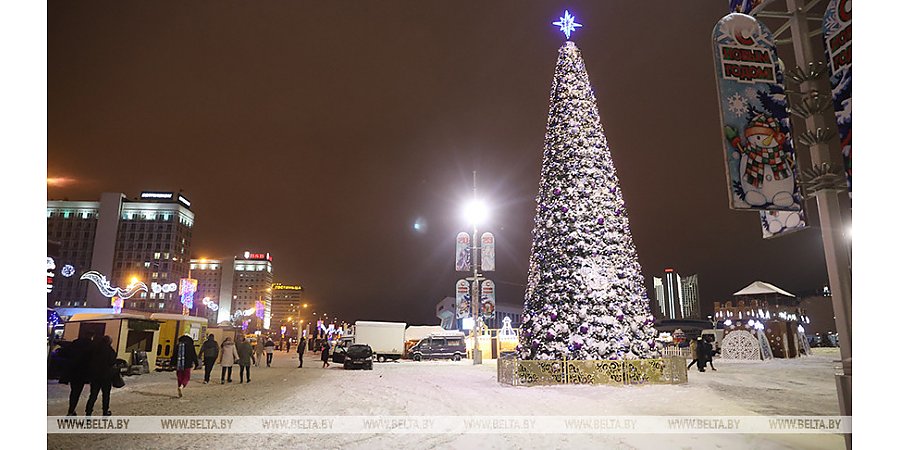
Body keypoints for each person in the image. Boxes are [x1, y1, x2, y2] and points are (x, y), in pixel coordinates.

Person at [62, 333, 94, 416]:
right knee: (77, 391)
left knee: (74, 392)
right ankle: (71, 410)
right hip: (83, 372)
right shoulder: (90, 345)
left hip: (73, 370)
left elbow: (66, 353)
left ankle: (71, 410)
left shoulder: (75, 343)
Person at [85, 335, 117, 416]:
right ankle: (105, 411)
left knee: (93, 395)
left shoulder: (95, 349)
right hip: (106, 377)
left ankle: (88, 412)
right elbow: (112, 362)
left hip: (95, 376)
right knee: (106, 395)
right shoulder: (110, 351)